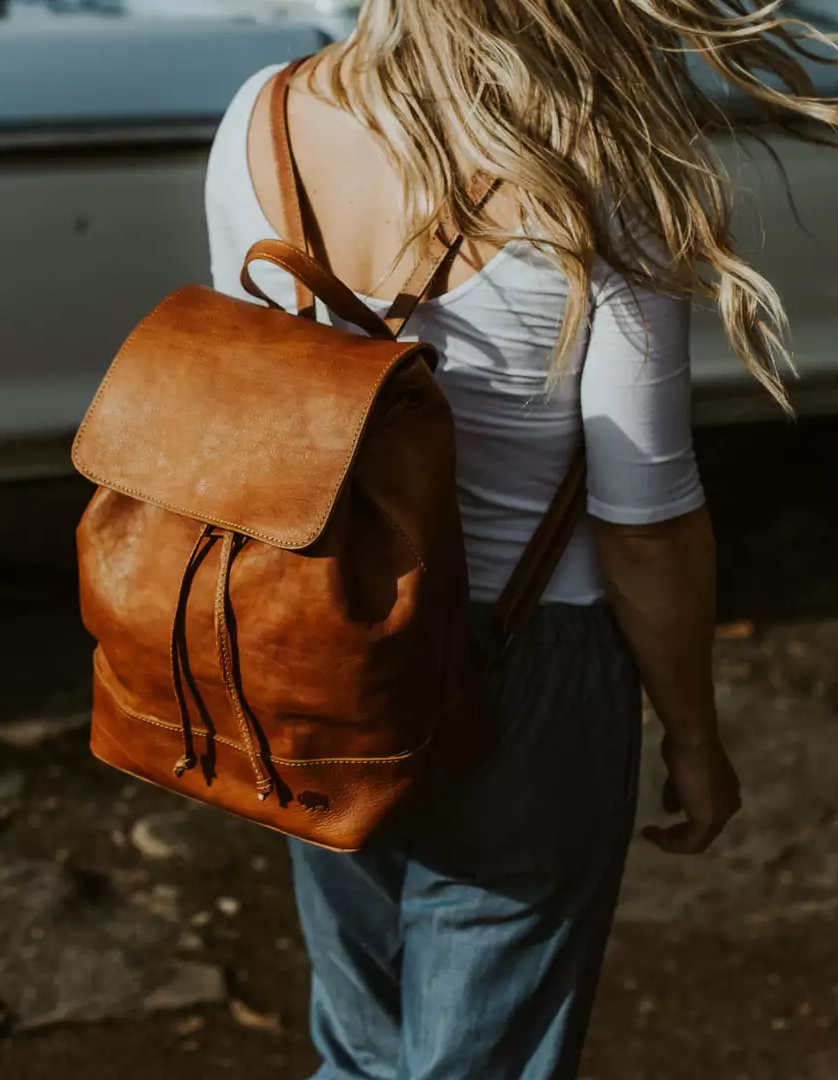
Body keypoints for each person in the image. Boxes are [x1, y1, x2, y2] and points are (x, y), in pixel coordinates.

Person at [204, 2, 837, 1076]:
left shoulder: (265, 114)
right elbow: (644, 514)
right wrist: (693, 736)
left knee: (361, 1045)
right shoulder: (599, 160)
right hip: (531, 665)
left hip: (314, 644)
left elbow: (263, 413)